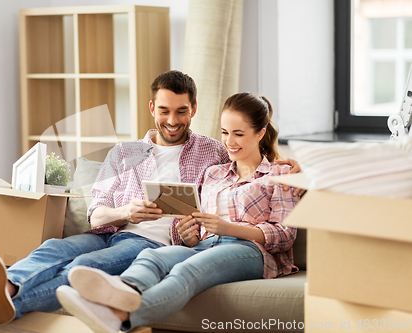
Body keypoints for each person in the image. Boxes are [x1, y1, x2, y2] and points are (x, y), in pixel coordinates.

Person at [55, 92, 301, 333]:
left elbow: (284, 235)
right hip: (206, 245)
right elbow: (199, 233)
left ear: (260, 133)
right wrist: (191, 235)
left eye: (239, 134)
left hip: (250, 251)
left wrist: (228, 229)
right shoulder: (214, 173)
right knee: (153, 257)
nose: (229, 142)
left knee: (186, 270)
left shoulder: (280, 176)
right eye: (225, 132)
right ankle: (118, 291)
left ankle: (121, 317)